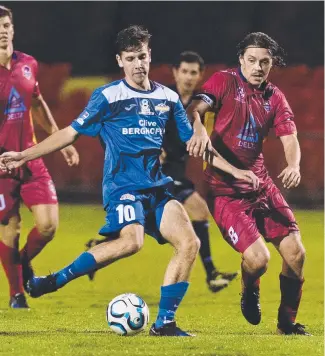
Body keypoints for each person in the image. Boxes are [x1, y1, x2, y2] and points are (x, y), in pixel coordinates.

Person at [0, 25, 258, 336]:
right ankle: (56, 280)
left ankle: (165, 324)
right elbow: (70, 133)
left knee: (189, 242)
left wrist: (237, 171)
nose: (139, 64)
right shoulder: (108, 96)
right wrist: (24, 155)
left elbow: (197, 146)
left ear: (151, 57)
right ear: (121, 61)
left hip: (156, 186)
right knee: (132, 241)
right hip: (122, 187)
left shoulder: (167, 98)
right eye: (132, 58)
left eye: (144, 57)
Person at [186, 32, 310, 335]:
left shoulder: (275, 97)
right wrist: (199, 128)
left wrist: (293, 164)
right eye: (252, 60)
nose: (258, 67)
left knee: (296, 253)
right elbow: (193, 108)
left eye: (264, 62)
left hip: (260, 184)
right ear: (241, 59)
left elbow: (289, 137)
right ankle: (249, 288)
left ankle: (286, 324)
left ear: (271, 64)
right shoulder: (223, 82)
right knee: (259, 259)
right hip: (223, 190)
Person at [0, 5, 79, 309]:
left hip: (29, 157)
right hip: (2, 164)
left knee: (48, 226)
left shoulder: (28, 64)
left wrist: (62, 140)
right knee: (11, 226)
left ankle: (21, 265)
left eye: (7, 26)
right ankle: (17, 293)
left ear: (13, 28)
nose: (4, 32)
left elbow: (37, 103)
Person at [161, 51, 238, 292]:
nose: (188, 77)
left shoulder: (199, 103)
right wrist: (153, 147)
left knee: (140, 230)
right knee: (196, 213)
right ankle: (211, 275)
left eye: (193, 72)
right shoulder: (162, 98)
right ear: (175, 72)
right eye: (184, 71)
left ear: (200, 75)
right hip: (155, 170)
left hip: (175, 169)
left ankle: (99, 246)